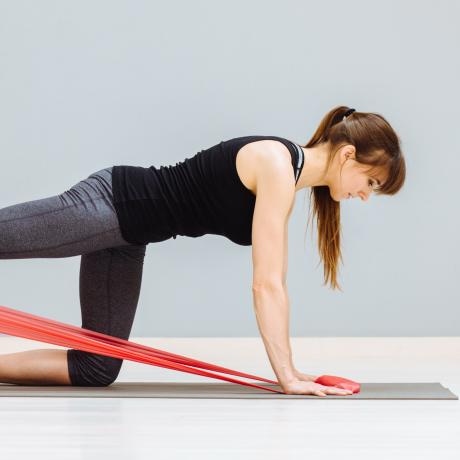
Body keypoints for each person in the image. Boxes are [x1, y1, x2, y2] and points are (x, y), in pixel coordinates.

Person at [0, 105, 406, 396]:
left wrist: (292, 373)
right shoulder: (276, 163)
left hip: (127, 240)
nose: (366, 196)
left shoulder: (287, 180)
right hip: (111, 204)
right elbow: (267, 284)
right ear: (348, 155)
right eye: (370, 183)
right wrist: (289, 375)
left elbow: (271, 280)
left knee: (97, 367)